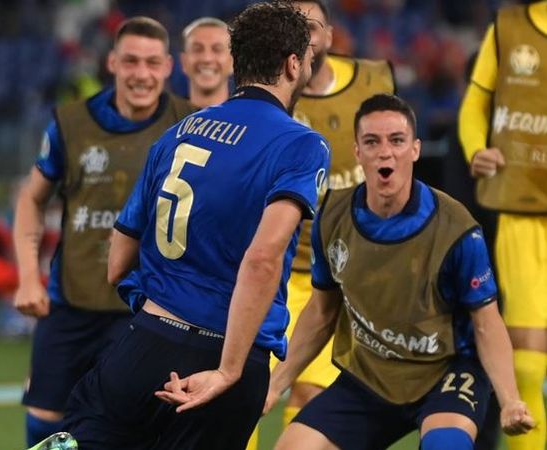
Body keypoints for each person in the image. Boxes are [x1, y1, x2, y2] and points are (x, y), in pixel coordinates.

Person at [63, 3, 327, 449]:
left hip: (142, 342)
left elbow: (118, 261)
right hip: (222, 355)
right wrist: (229, 368)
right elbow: (262, 258)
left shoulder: (182, 130)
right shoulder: (301, 144)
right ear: (293, 63)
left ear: (237, 63)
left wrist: (154, 310)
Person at [268, 94, 535, 450]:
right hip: (369, 376)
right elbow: (321, 312)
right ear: (357, 152)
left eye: (396, 140)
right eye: (372, 142)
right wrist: (274, 386)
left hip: (445, 375)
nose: (385, 152)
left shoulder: (456, 229)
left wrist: (510, 399)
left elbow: (486, 323)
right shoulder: (331, 214)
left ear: (415, 149)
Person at [12, 16, 195, 447]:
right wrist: (25, 277)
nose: (141, 74)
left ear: (168, 67)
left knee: (134, 426)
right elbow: (30, 198)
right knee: (46, 422)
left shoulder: (192, 124)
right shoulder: (70, 123)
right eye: (131, 61)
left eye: (152, 63)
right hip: (72, 303)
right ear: (112, 62)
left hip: (148, 309)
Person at [264, 0, 396, 431]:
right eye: (295, 26)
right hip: (273, 272)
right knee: (248, 391)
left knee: (309, 395)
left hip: (335, 277)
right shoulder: (268, 98)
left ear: (330, 36)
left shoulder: (374, 79)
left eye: (313, 27)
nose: (305, 35)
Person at [458, 2, 547, 449]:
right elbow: (475, 101)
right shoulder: (509, 25)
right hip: (524, 211)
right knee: (529, 364)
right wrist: (477, 149)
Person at [180, 17, 233, 108]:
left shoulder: (250, 119)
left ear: (233, 62)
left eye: (217, 49)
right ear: (184, 61)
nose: (207, 59)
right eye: (197, 49)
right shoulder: (167, 121)